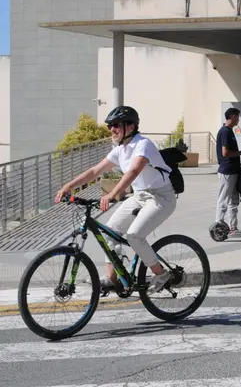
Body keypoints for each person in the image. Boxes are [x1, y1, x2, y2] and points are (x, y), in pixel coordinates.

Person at [54, 106, 174, 294]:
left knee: (134, 236)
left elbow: (134, 171)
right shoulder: (120, 149)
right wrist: (69, 186)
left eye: (116, 125)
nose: (112, 129)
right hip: (140, 196)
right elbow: (95, 171)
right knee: (109, 231)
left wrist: (112, 194)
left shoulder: (143, 144)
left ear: (131, 127)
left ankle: (161, 274)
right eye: (110, 126)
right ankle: (112, 278)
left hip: (161, 197)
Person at [215, 108, 241, 235]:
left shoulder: (229, 131)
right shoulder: (225, 132)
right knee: (224, 199)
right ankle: (219, 224)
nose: (238, 119)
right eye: (237, 116)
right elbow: (225, 152)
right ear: (232, 116)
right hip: (227, 171)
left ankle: (233, 226)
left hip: (233, 170)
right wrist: (240, 153)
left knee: (233, 200)